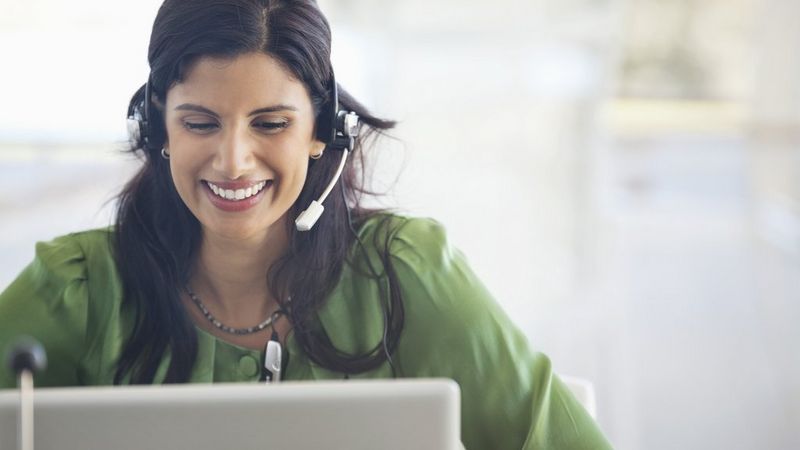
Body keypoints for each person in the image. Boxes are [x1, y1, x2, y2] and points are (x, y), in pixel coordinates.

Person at [0, 0, 613, 448]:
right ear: (157, 130)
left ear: (322, 133)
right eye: (200, 123)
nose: (233, 160)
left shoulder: (406, 273)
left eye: (270, 124)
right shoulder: (75, 288)